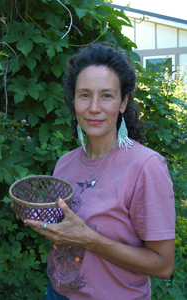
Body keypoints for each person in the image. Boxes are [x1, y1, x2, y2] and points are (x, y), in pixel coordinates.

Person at [20, 42, 176, 299]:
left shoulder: (145, 167)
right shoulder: (65, 163)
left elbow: (163, 265)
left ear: (123, 103)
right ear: (74, 101)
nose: (94, 107)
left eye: (106, 95)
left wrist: (88, 238)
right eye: (84, 94)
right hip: (56, 293)